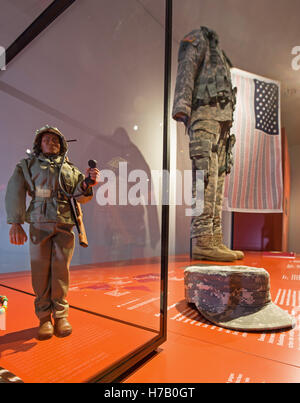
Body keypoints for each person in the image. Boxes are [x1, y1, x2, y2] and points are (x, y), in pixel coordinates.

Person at [5, 125, 100, 340]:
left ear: (63, 145)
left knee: (60, 272)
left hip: (64, 224)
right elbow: (15, 191)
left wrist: (87, 182)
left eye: (56, 140)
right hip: (39, 224)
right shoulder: (27, 165)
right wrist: (15, 222)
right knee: (40, 272)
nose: (51, 142)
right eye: (46, 139)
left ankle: (61, 315)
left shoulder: (70, 169)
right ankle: (44, 318)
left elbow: (81, 195)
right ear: (39, 143)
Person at [172, 26, 244, 262]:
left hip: (222, 122)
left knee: (217, 180)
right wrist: (182, 107)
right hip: (204, 116)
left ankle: (214, 239)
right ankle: (203, 241)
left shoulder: (220, 54)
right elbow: (187, 67)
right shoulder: (199, 38)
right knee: (203, 178)